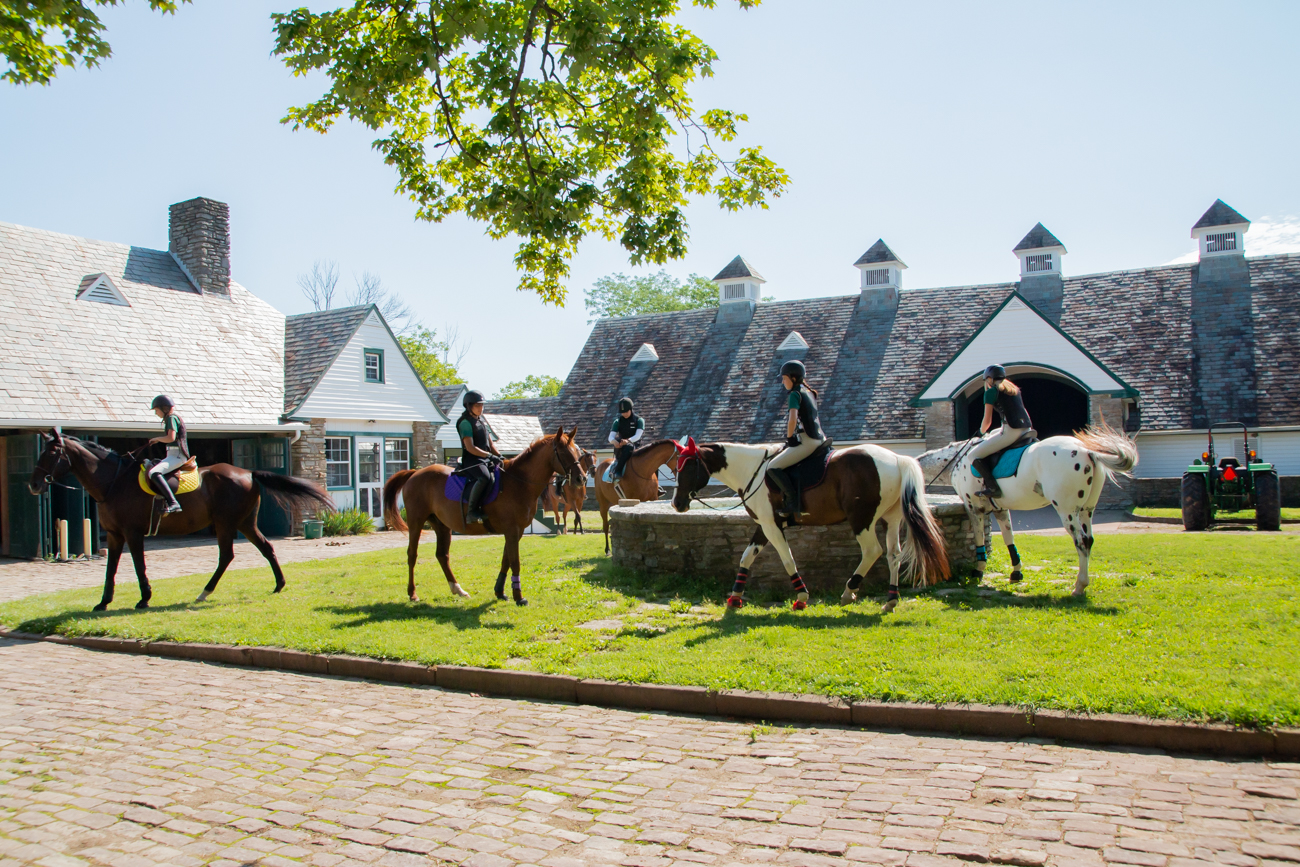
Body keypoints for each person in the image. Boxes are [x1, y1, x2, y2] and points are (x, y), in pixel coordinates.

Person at [765, 360, 825, 517]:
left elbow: (792, 420)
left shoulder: (794, 394)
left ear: (792, 378)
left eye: (784, 379)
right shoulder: (809, 392)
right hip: (821, 438)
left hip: (808, 441)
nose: (783, 382)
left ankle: (793, 501)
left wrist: (789, 437)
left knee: (773, 467)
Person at [969, 364, 1033, 499]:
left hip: (1011, 431)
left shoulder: (991, 392)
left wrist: (981, 432)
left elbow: (987, 421)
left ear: (989, 379)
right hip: (1026, 428)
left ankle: (993, 487)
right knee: (992, 434)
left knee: (972, 455)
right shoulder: (1014, 389)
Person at [456, 390, 502, 523]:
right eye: (477, 406)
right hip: (472, 460)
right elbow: (470, 448)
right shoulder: (465, 423)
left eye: (482, 405)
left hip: (485, 459)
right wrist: (489, 455)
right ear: (469, 406)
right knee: (484, 477)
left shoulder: (481, 421)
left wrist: (499, 456)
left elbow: (491, 444)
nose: (480, 408)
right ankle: (471, 512)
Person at [146, 395, 189, 514]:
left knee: (153, 472)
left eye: (156, 410)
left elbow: (171, 437)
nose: (156, 413)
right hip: (172, 454)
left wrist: (157, 439)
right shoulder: (170, 418)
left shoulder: (171, 418)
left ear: (163, 408)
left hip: (177, 455)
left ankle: (173, 503)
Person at [608, 397, 644, 483]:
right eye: (622, 412)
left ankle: (656, 486)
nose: (624, 414)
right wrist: (614, 442)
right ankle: (618, 471)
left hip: (636, 446)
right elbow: (610, 437)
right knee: (627, 447)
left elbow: (638, 436)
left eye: (626, 411)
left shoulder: (639, 420)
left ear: (631, 409)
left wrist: (628, 440)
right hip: (622, 447)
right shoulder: (617, 422)